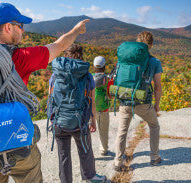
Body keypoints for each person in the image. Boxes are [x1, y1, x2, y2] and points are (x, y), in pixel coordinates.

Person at [0, 2, 90, 183]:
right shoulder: (21, 57)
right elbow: (60, 45)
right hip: (16, 139)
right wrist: (77, 30)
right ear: (9, 27)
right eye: (20, 26)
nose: (23, 31)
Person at [49, 44, 107, 183]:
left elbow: (50, 97)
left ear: (66, 56)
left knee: (63, 155)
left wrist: (51, 119)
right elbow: (91, 101)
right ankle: (90, 176)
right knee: (85, 150)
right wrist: (92, 120)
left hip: (59, 121)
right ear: (80, 56)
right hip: (79, 122)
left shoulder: (56, 73)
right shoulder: (87, 76)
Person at [113, 31, 163, 171]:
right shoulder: (154, 61)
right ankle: (154, 157)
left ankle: (118, 161)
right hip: (143, 102)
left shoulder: (126, 59)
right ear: (151, 44)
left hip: (125, 100)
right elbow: (158, 86)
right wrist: (156, 104)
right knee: (154, 125)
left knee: (122, 131)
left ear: (137, 41)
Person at [92, 56, 111, 156]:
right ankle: (104, 149)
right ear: (104, 67)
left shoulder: (89, 77)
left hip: (91, 109)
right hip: (103, 108)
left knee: (88, 130)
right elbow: (110, 95)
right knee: (103, 130)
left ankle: (87, 150)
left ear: (94, 66)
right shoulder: (107, 79)